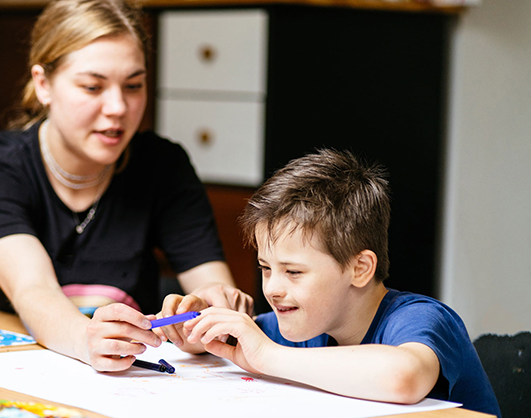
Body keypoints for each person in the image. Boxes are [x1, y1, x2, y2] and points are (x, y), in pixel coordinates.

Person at [0, 0, 253, 372]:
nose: (118, 107)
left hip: (128, 379)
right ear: (43, 84)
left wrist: (209, 316)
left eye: (133, 85)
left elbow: (211, 286)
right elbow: (33, 290)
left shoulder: (163, 165)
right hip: (14, 366)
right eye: (93, 86)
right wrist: (87, 340)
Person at [182, 149, 501, 416]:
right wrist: (195, 334)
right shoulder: (302, 323)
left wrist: (266, 355)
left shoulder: (421, 319)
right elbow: (237, 343)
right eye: (266, 268)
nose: (273, 288)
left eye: (293, 272)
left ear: (360, 268)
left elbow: (403, 378)